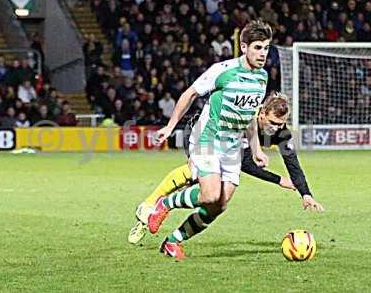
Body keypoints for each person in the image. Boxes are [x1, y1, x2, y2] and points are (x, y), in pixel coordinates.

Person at [143, 20, 273, 260]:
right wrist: (171, 126)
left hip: (233, 146)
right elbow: (190, 93)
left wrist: (256, 149)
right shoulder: (223, 70)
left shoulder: (262, 78)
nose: (263, 53)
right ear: (243, 47)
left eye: (266, 48)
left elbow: (250, 116)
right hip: (208, 139)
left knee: (219, 205)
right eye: (257, 47)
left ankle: (172, 242)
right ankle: (165, 203)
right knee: (210, 195)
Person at [128, 94, 324, 246]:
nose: (276, 127)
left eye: (281, 123)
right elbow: (245, 162)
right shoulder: (243, 122)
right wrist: (278, 180)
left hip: (224, 149)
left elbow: (293, 163)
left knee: (217, 198)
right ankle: (149, 207)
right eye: (272, 122)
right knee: (195, 173)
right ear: (261, 113)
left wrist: (305, 193)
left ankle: (170, 236)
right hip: (203, 130)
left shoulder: (281, 132)